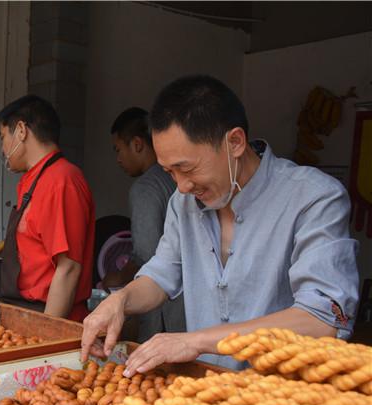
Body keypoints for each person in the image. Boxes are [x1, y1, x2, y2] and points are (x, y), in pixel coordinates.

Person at [82, 75, 359, 375]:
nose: (182, 186)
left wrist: (196, 341)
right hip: (209, 393)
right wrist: (121, 301)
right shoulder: (182, 203)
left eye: (186, 168)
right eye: (169, 172)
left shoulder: (314, 198)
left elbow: (321, 320)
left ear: (235, 143)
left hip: (284, 399)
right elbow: (161, 275)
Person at [0, 95, 95, 322]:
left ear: (21, 130)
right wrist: (3, 247)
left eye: (2, 137)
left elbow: (68, 269)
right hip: (25, 311)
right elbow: (39, 237)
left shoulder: (61, 181)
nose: (2, 148)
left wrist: (47, 335)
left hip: (49, 313)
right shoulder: (33, 179)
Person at [110, 107, 185, 341]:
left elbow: (147, 255)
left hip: (163, 312)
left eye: (118, 149)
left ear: (138, 144)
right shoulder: (178, 183)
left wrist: (116, 282)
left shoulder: (145, 188)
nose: (118, 159)